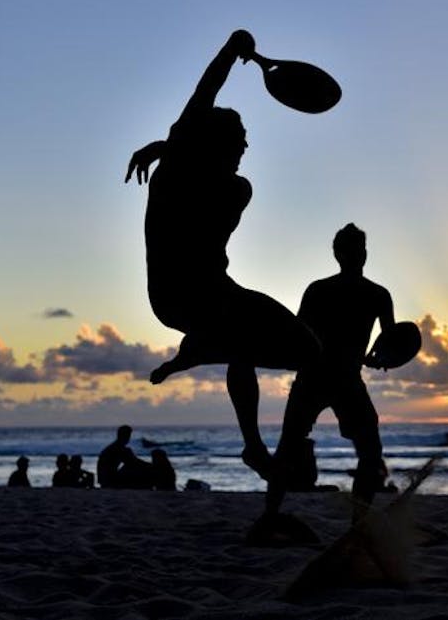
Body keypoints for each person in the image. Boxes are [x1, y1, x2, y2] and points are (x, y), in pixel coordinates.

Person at [125, 29, 321, 478]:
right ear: (218, 144)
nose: (247, 147)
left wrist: (168, 146)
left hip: (200, 295)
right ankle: (205, 352)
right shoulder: (213, 183)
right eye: (240, 140)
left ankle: (245, 430)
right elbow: (205, 91)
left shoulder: (193, 174)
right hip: (191, 296)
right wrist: (233, 50)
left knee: (281, 348)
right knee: (287, 347)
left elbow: (202, 106)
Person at [261, 224, 396, 525]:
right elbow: (298, 334)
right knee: (290, 447)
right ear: (339, 254)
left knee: (370, 452)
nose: (356, 255)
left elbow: (390, 344)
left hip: (337, 378)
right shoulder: (339, 291)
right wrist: (378, 358)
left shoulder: (372, 294)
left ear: (364, 253)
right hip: (320, 377)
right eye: (352, 249)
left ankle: (357, 520)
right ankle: (271, 515)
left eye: (359, 249)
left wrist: (378, 358)